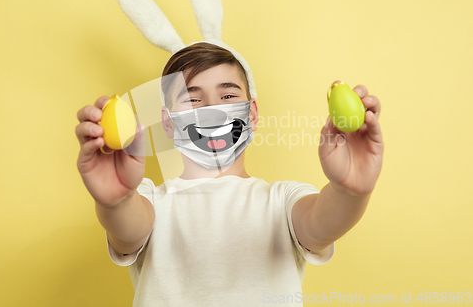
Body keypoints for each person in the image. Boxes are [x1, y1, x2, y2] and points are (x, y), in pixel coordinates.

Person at [75, 42, 384, 306]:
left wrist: (349, 191)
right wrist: (117, 200)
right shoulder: (150, 200)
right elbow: (128, 230)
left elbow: (321, 224)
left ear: (251, 114)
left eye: (227, 96)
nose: (212, 109)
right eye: (192, 99)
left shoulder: (283, 199)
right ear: (168, 123)